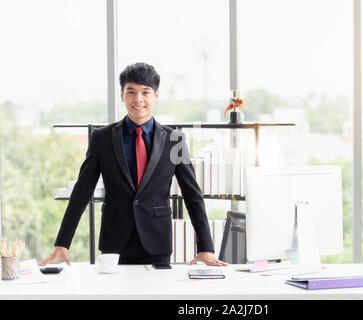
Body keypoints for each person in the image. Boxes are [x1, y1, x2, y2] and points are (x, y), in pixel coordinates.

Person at [39, 62, 227, 267]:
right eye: (131, 92)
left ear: (156, 95)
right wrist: (62, 244)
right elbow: (82, 192)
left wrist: (206, 248)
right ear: (122, 95)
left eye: (145, 92)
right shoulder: (102, 138)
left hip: (157, 243)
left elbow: (192, 196)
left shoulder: (175, 140)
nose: (138, 99)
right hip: (114, 244)